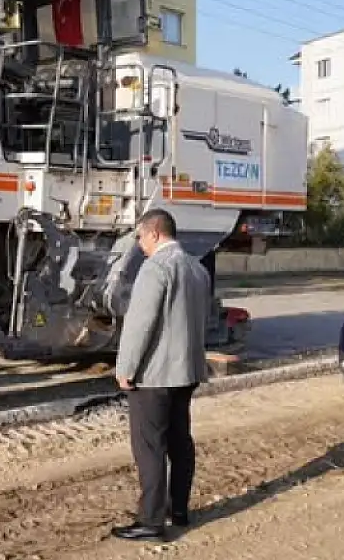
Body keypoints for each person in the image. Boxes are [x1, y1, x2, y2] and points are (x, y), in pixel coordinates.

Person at [111, 208, 211, 541]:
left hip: (154, 376)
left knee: (149, 447)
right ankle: (178, 510)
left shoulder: (156, 268)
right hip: (187, 372)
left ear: (154, 233)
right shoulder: (197, 269)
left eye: (140, 237)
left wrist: (126, 368)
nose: (139, 245)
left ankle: (151, 522)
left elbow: (140, 324)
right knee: (180, 442)